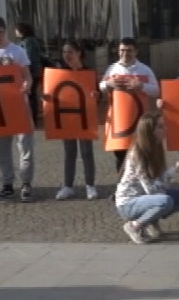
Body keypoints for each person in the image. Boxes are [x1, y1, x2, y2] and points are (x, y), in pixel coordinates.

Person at [0, 15, 36, 202]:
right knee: (2, 147)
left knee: (25, 145)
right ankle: (7, 184)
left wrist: (27, 85)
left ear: (6, 31)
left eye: (0, 32)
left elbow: (27, 76)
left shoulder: (17, 51)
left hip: (18, 103)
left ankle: (26, 183)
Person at [114, 110, 179, 244]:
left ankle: (151, 221)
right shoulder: (138, 154)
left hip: (145, 198)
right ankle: (134, 226)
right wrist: (168, 179)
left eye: (163, 125)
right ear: (150, 132)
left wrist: (174, 170)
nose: (164, 129)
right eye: (160, 127)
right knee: (166, 201)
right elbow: (151, 190)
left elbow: (157, 181)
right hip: (128, 203)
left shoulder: (156, 148)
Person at [100, 37, 160, 173]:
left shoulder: (144, 70)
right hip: (118, 121)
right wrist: (108, 84)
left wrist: (141, 86)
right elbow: (101, 87)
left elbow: (156, 91)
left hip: (139, 120)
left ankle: (139, 189)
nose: (125, 54)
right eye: (122, 50)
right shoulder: (112, 69)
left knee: (140, 155)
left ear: (136, 52)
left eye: (129, 50)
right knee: (120, 155)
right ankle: (121, 191)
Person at [52, 40, 99, 201]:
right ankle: (67, 185)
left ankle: (90, 185)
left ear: (79, 53)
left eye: (70, 52)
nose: (67, 56)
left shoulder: (88, 72)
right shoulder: (60, 73)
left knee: (86, 151)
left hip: (84, 117)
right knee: (69, 152)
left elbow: (97, 93)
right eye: (64, 52)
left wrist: (95, 96)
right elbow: (53, 93)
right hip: (67, 117)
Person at [14, 23, 44, 128]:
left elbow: (28, 58)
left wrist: (25, 73)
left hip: (31, 72)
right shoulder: (31, 40)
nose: (15, 32)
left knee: (30, 96)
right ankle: (32, 118)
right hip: (35, 71)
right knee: (31, 96)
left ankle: (32, 119)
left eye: (16, 30)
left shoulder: (28, 42)